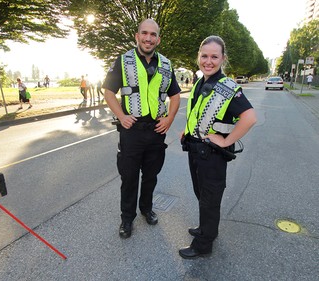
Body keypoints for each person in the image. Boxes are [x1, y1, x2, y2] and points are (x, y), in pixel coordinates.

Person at [179, 35, 257, 259]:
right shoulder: (201, 82)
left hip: (212, 156)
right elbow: (199, 113)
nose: (208, 61)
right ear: (198, 57)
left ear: (223, 58)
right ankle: (206, 229)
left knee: (210, 199)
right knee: (202, 195)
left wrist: (225, 140)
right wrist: (188, 130)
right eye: (204, 56)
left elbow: (250, 117)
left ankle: (203, 245)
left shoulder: (227, 87)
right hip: (196, 150)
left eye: (214, 56)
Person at [103, 18, 181, 239]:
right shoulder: (123, 60)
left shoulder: (166, 64)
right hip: (132, 132)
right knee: (129, 177)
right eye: (144, 33)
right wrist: (121, 115)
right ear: (137, 36)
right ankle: (127, 219)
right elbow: (108, 91)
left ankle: (146, 208)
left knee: (151, 175)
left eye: (153, 34)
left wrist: (169, 119)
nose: (148, 38)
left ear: (158, 39)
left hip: (156, 131)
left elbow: (175, 95)